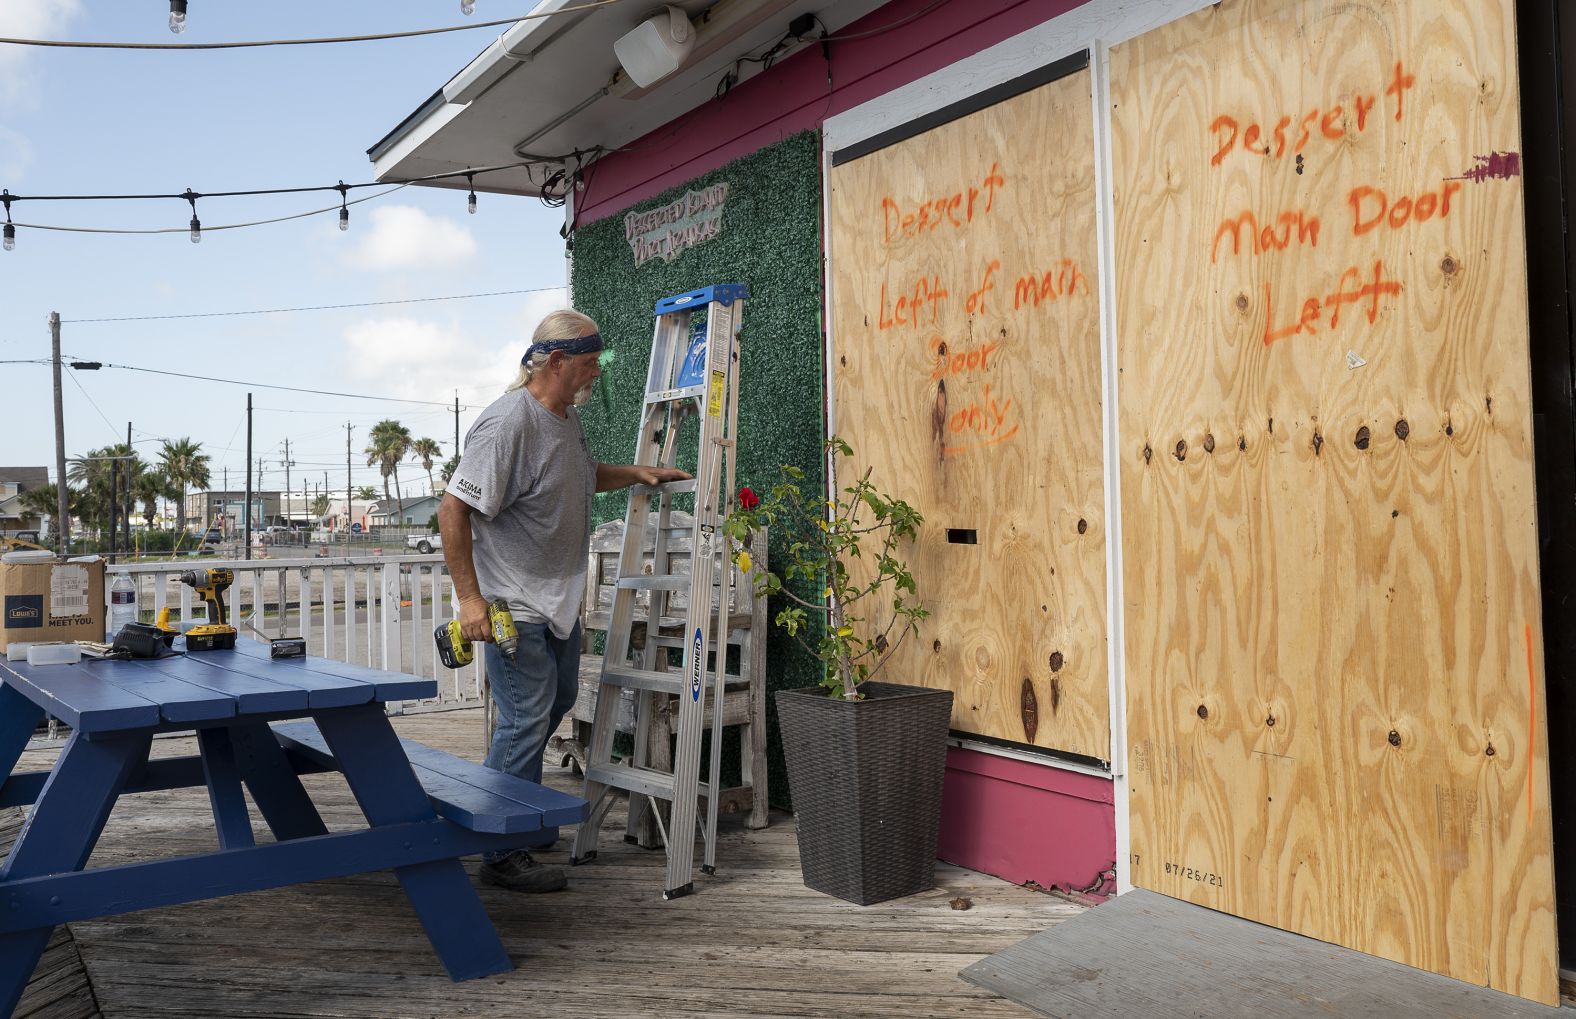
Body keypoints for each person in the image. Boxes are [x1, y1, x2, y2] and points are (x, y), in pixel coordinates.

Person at [438, 309, 689, 893]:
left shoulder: (564, 418)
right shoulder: (508, 424)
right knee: (527, 717)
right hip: (510, 604)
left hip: (557, 603)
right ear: (555, 362)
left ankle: (514, 810)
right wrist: (470, 601)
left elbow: (578, 475)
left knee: (559, 701)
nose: (595, 372)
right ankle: (499, 847)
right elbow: (454, 508)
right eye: (587, 363)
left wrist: (633, 472)